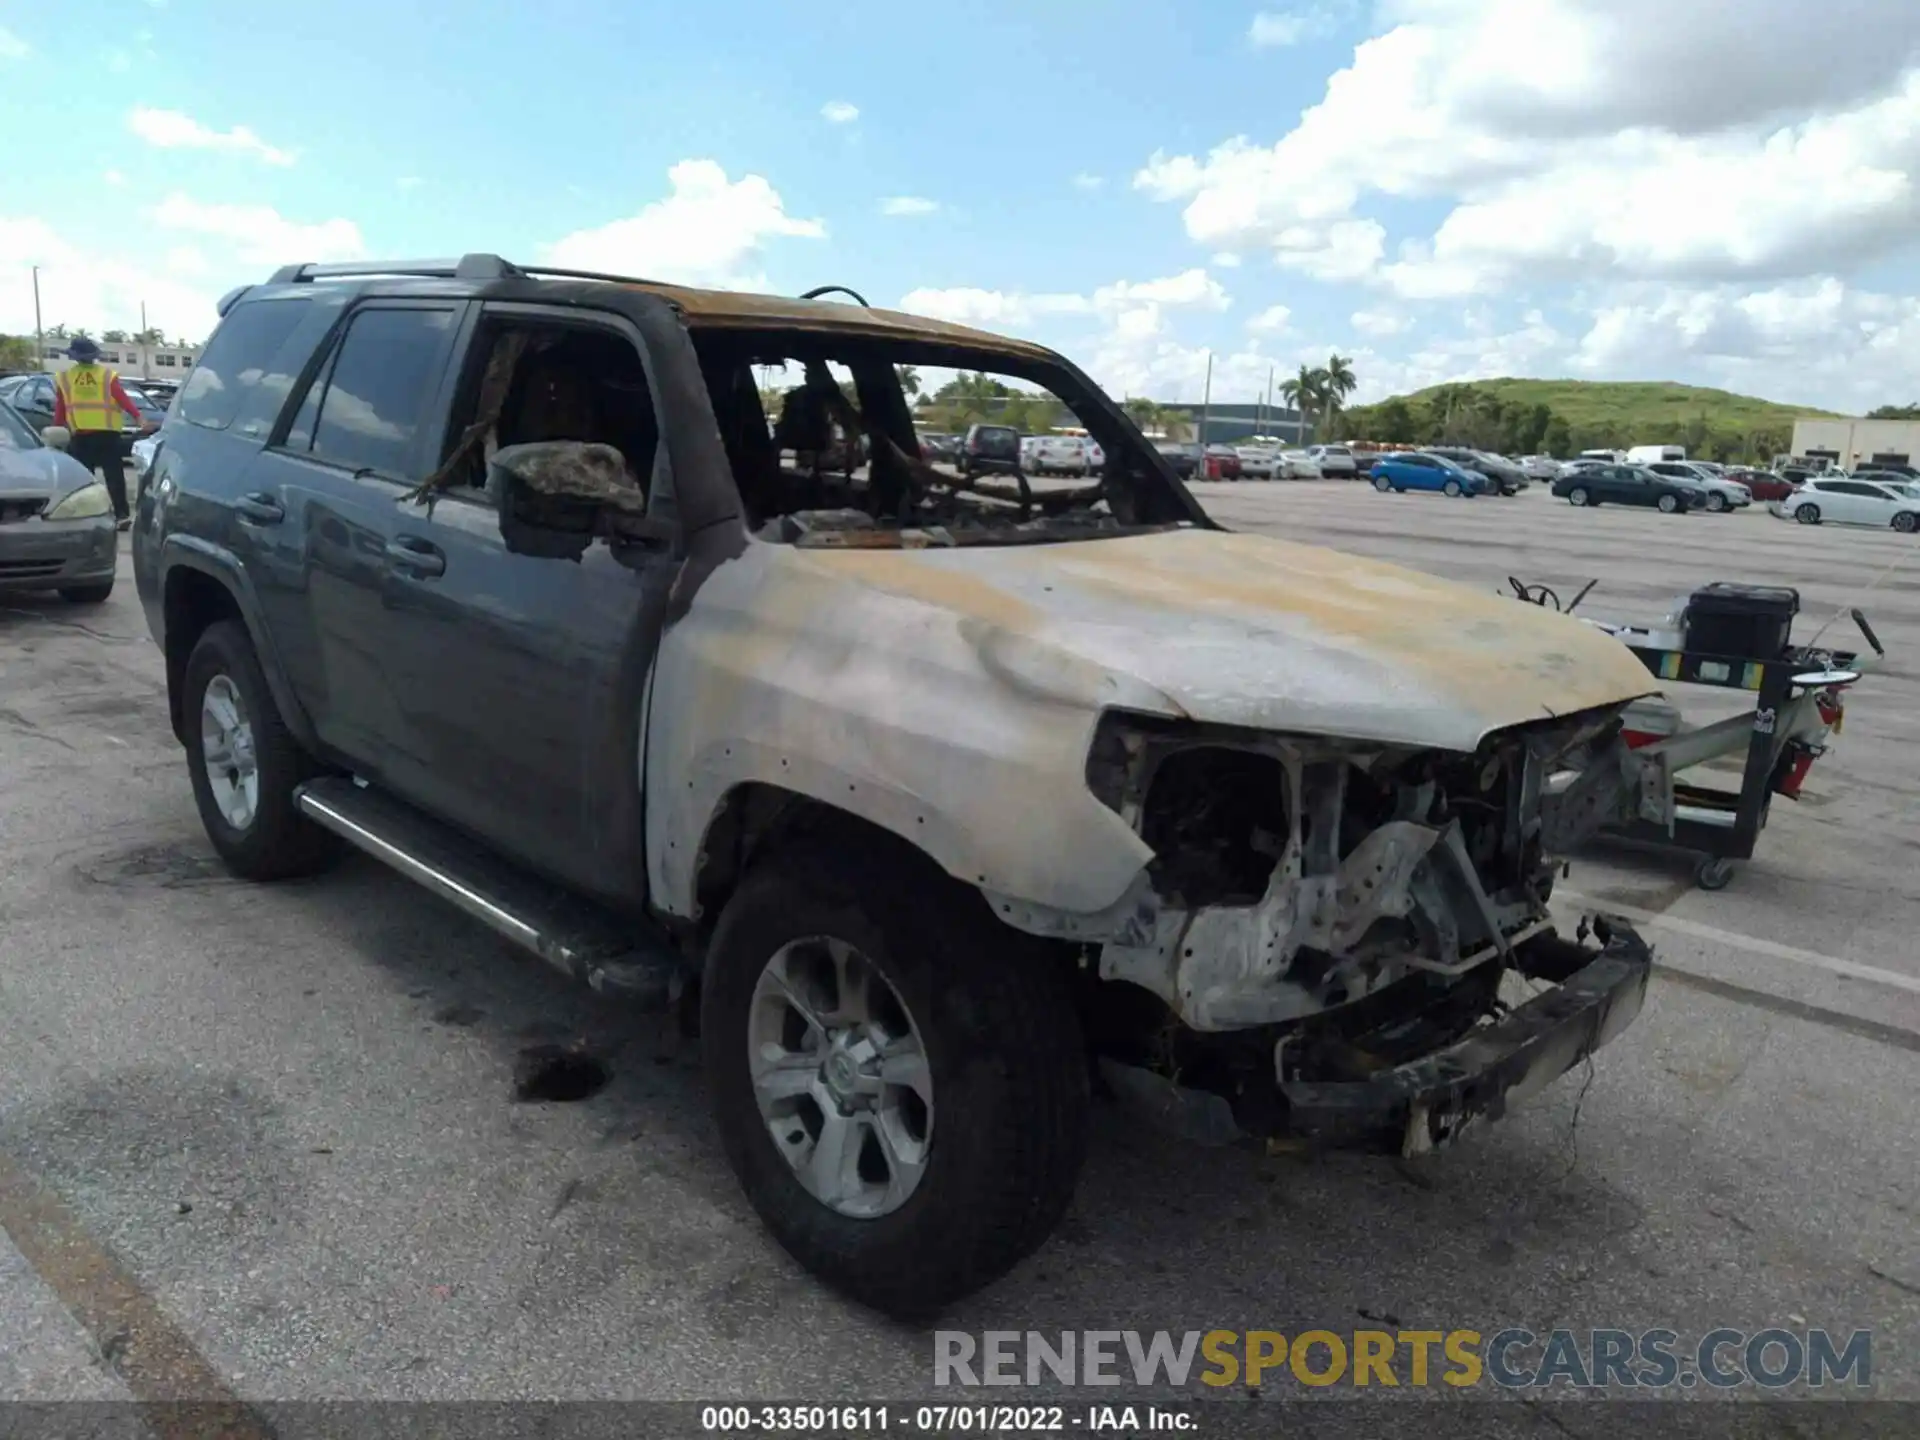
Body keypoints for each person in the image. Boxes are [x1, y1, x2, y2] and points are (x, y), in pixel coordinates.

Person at [52, 336, 147, 529]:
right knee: (114, 476)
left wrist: (56, 432)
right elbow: (123, 399)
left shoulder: (64, 378)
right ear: (94, 356)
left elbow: (60, 410)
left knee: (84, 479)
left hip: (81, 435)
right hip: (107, 434)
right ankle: (122, 516)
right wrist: (139, 418)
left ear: (73, 356)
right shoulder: (106, 375)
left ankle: (86, 516)